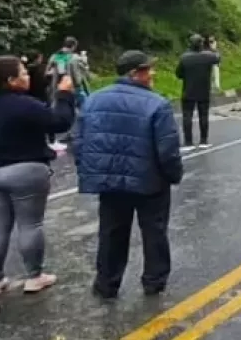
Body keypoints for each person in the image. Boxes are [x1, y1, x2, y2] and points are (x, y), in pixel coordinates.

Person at [73, 50, 184, 299]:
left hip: (110, 182)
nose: (152, 73)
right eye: (148, 70)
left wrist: (90, 171)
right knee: (154, 231)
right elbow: (167, 150)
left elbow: (79, 141)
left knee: (111, 232)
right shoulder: (157, 104)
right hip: (150, 181)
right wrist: (173, 175)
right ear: (135, 74)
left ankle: (106, 284)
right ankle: (154, 282)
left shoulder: (93, 101)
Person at [0, 55, 77, 297]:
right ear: (11, 80)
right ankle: (34, 277)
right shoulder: (26, 104)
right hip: (26, 170)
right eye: (23, 73)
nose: (27, 76)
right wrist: (65, 94)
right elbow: (59, 122)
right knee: (30, 224)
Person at [176, 33, 221, 148]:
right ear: (201, 44)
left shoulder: (184, 58)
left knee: (187, 116)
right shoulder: (208, 56)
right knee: (203, 116)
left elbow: (179, 74)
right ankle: (203, 140)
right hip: (204, 91)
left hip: (188, 91)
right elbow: (218, 58)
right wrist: (213, 48)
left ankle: (188, 142)